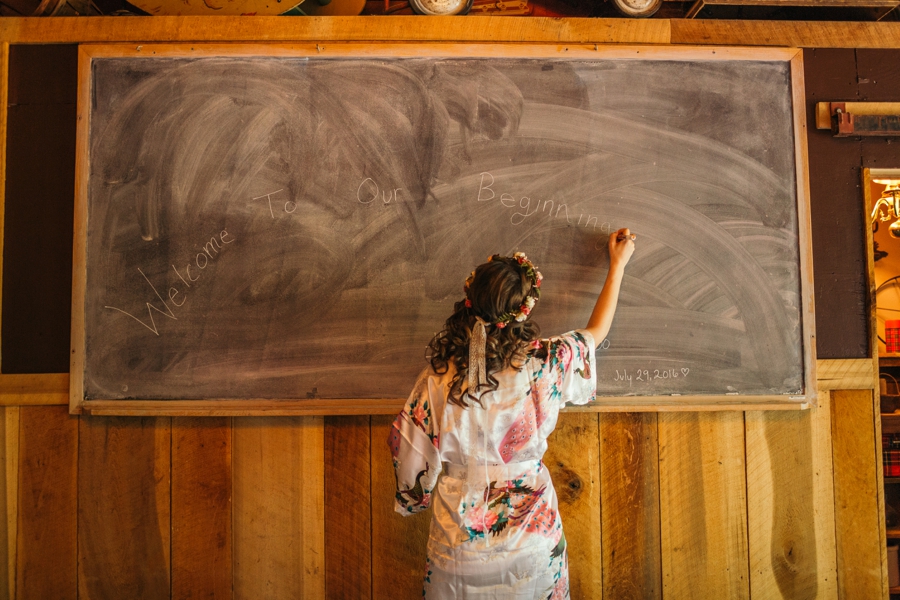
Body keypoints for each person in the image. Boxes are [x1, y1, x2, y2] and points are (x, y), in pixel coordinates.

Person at [388, 229, 635, 599]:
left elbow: (409, 451)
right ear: (524, 308)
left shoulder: (439, 378)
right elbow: (595, 332)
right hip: (532, 544)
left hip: (458, 547)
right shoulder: (545, 363)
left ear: (470, 300)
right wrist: (616, 266)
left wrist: (413, 499)